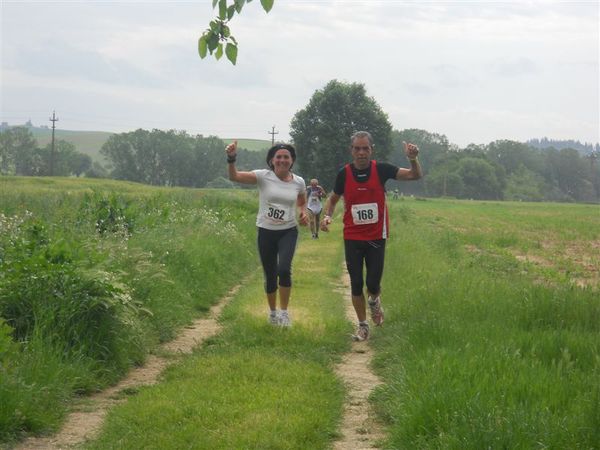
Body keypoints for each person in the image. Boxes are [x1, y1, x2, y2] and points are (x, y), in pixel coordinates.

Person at [320, 131, 422, 341]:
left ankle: (375, 303)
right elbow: (333, 199)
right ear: (352, 151)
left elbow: (415, 175)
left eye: (365, 148)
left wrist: (413, 159)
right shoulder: (344, 173)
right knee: (357, 283)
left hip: (376, 236)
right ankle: (363, 325)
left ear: (371, 150)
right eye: (357, 148)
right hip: (353, 236)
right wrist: (327, 217)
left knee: (373, 284)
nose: (361, 152)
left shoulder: (382, 170)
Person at [226, 140, 309, 327]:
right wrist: (231, 158)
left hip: (288, 231)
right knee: (270, 275)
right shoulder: (263, 176)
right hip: (266, 231)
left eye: (286, 157)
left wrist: (303, 213)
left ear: (292, 161)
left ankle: (284, 313)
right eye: (278, 157)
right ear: (272, 161)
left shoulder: (299, 182)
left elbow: (302, 202)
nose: (282, 160)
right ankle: (272, 313)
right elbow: (235, 177)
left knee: (284, 270)